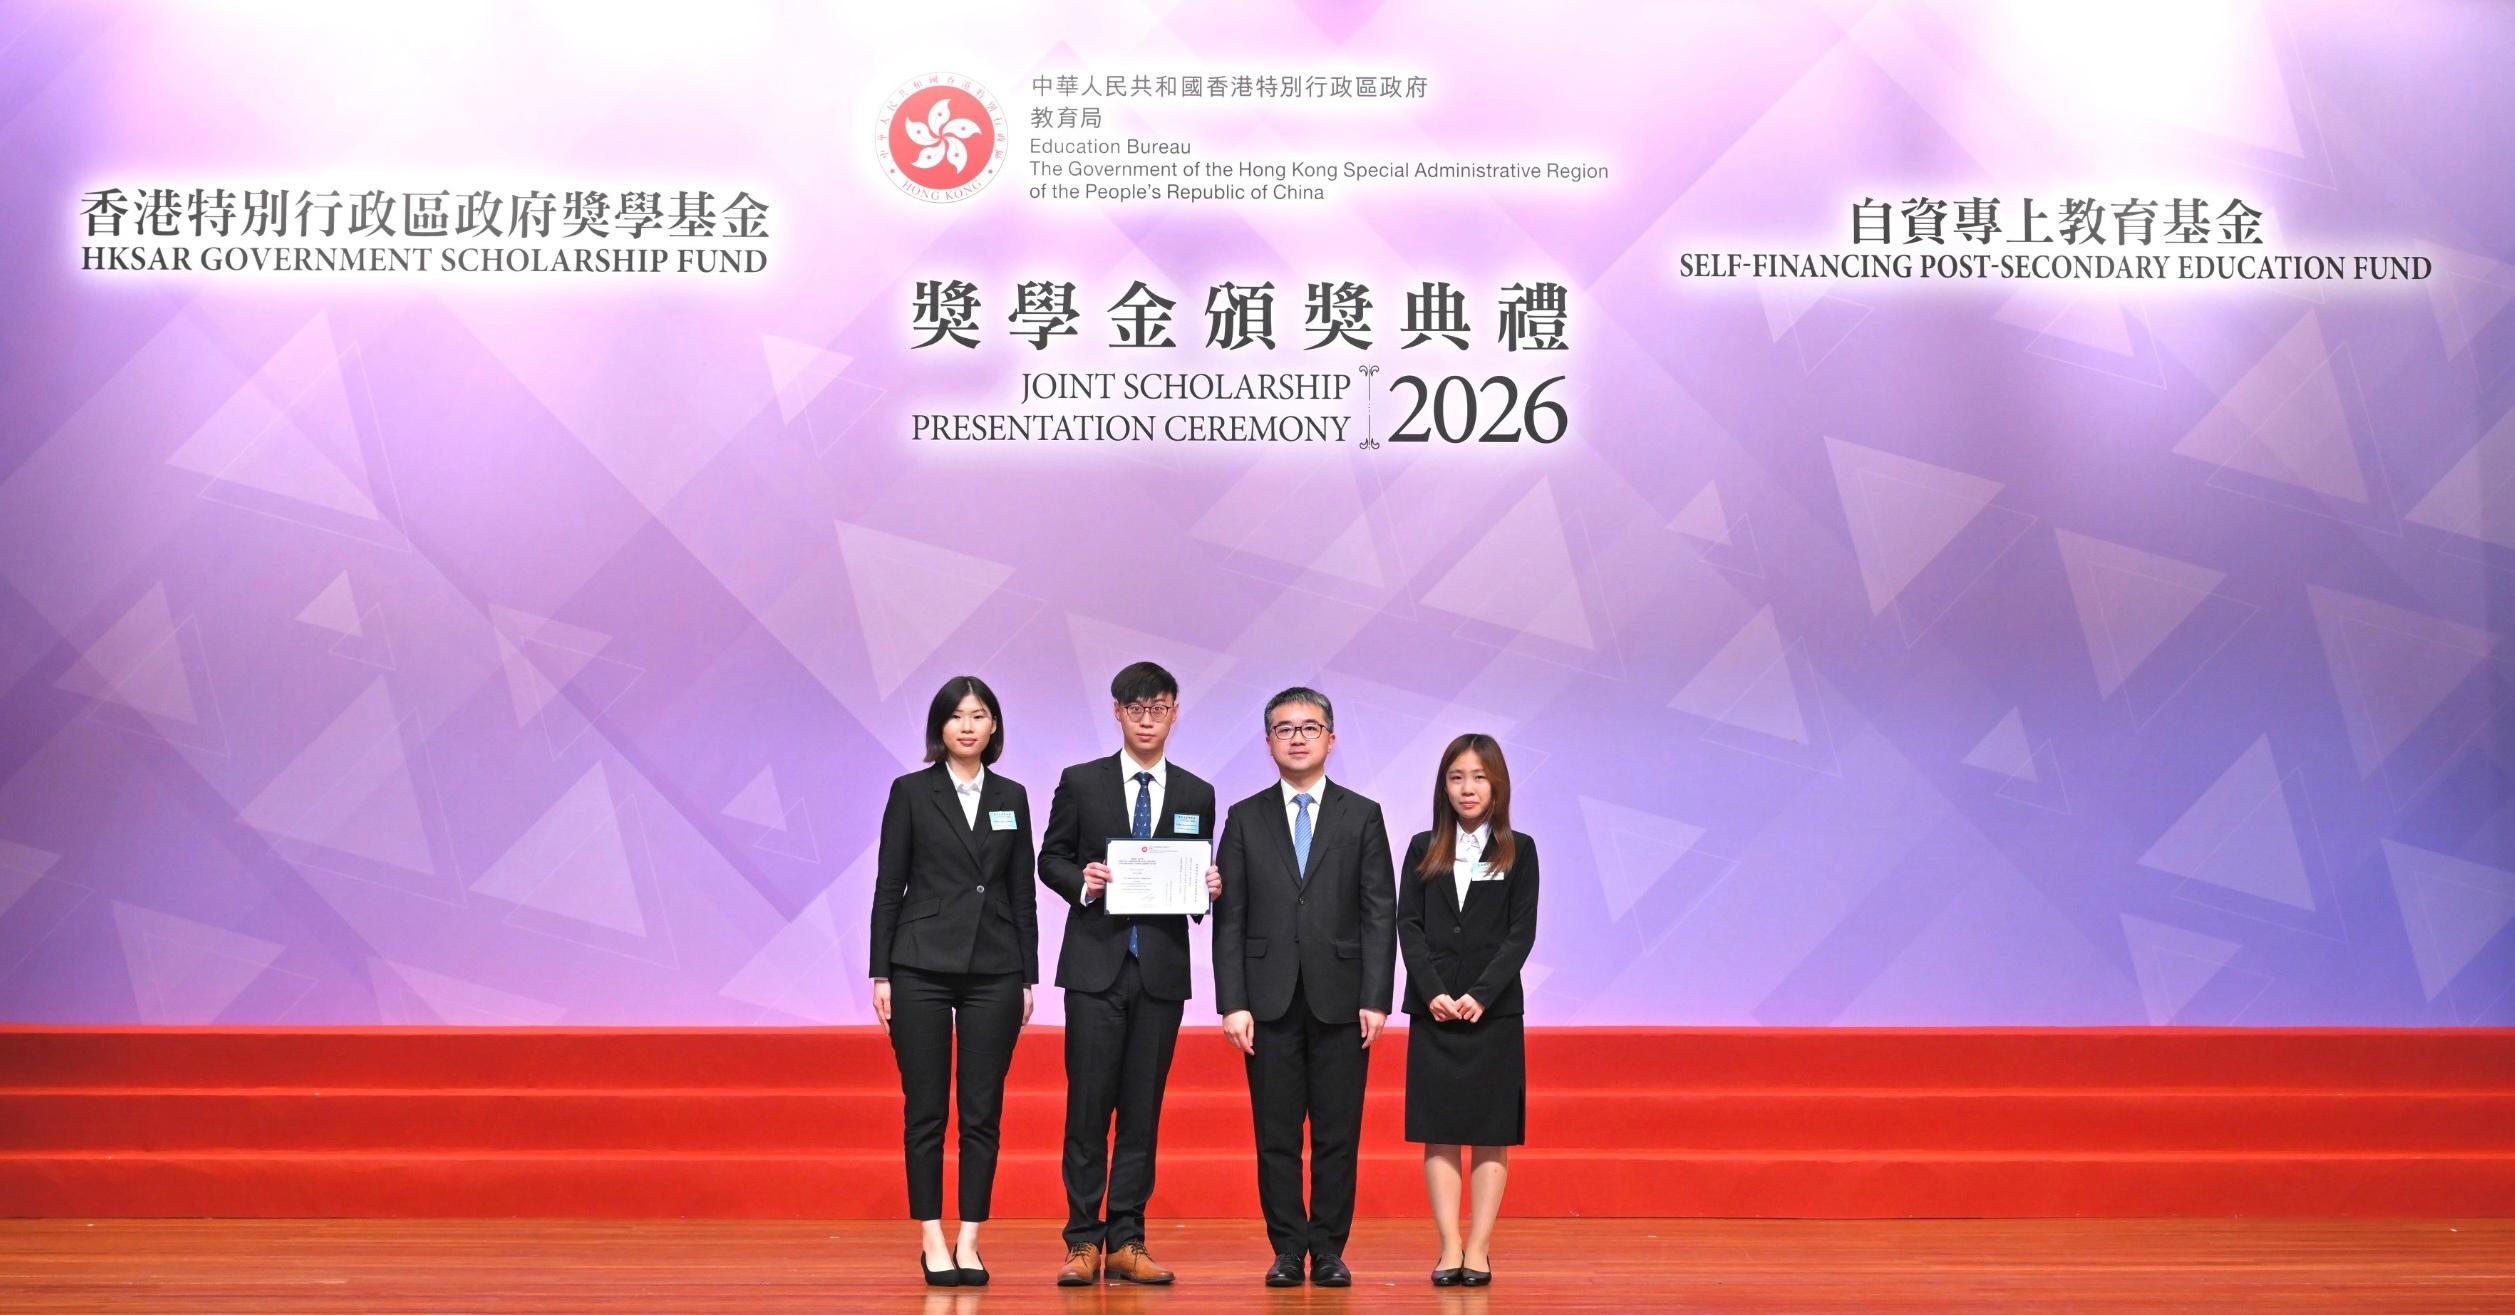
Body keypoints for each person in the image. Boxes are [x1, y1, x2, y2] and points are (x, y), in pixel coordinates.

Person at [1037, 661, 1223, 1286]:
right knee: (1088, 1106)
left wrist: (1209, 887)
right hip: (1096, 965)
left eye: (1159, 706)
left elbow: (1194, 877)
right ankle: (1082, 1240)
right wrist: (1082, 882)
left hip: (1160, 971)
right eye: (1135, 707)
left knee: (1143, 1108)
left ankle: (1128, 1239)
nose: (1147, 718)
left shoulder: (1198, 792)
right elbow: (1050, 857)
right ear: (1116, 712)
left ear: (1174, 712)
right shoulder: (1082, 782)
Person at [1214, 686, 1396, 1288]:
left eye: (1310, 727)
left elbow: (1378, 911)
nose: (1298, 737)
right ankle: (1288, 1249)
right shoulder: (1243, 816)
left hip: (1343, 997)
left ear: (1331, 739)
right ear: (1268, 742)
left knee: (1339, 1132)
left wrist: (1376, 995)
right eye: (1285, 728)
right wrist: (1232, 1001)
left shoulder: (1362, 814)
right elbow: (1231, 916)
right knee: (1276, 1134)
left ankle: (1331, 1249)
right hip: (1265, 999)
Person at [868, 675, 1038, 1288]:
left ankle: (971, 1237)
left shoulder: (1013, 795)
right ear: (940, 728)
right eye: (956, 716)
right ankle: (931, 1236)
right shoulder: (912, 791)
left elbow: (1022, 889)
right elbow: (890, 884)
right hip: (918, 965)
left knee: (982, 1110)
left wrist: (1028, 975)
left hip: (996, 967)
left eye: (979, 715)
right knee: (926, 1110)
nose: (968, 726)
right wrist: (880, 970)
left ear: (994, 728)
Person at [1396, 733, 1538, 1287]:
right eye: (1457, 777)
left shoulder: (1519, 849)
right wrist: (1430, 989)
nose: (1467, 788)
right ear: (1444, 786)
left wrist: (1481, 994)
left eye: (1478, 776)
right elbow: (1408, 924)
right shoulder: (1421, 846)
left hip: (1493, 1012)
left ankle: (1479, 1247)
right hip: (1434, 1011)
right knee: (1439, 1130)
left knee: (1490, 1130)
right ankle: (1448, 1246)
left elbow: (1520, 933)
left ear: (1496, 784)